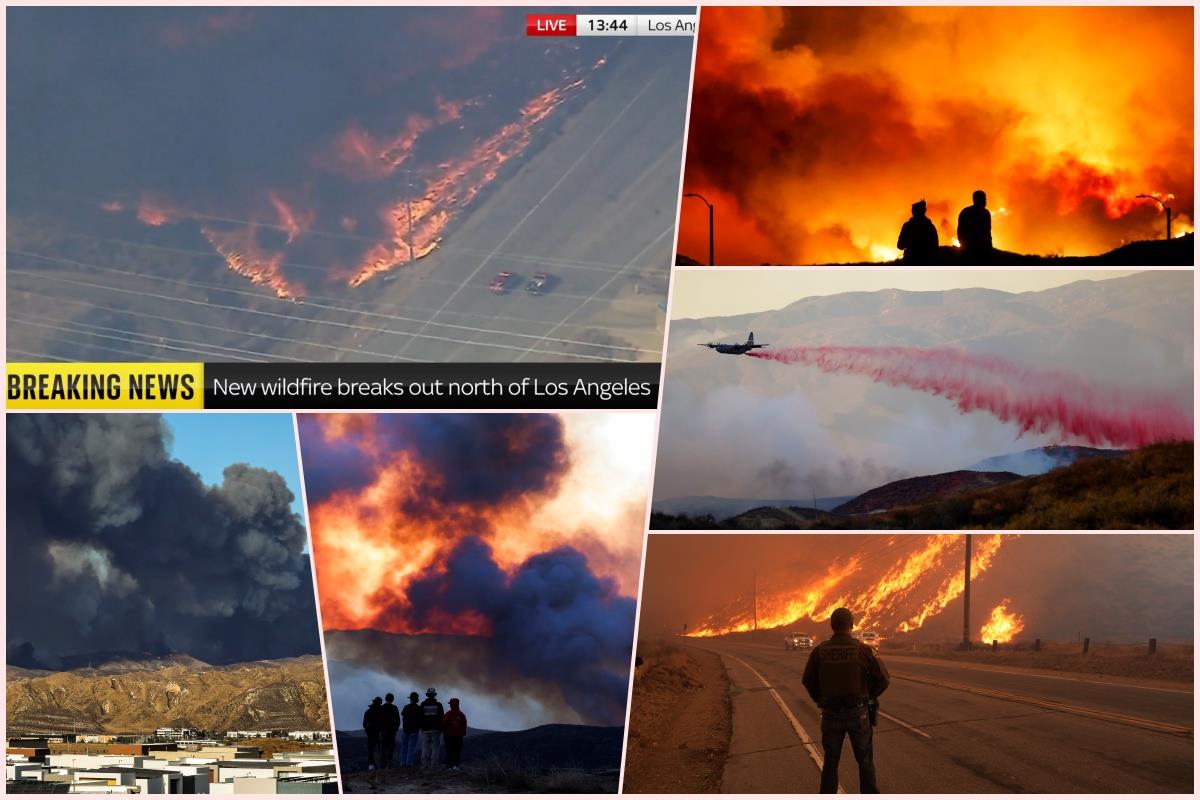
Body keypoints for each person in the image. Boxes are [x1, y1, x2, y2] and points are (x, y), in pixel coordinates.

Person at [801, 608, 890, 793]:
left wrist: (820, 699)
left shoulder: (819, 651)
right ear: (851, 625)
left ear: (832, 625)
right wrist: (868, 696)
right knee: (865, 761)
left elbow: (808, 680)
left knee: (831, 762)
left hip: (831, 714)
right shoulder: (864, 650)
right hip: (858, 713)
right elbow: (883, 679)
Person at [957, 189, 992, 261]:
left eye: (985, 199)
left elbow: (988, 232)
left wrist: (988, 247)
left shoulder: (986, 213)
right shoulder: (966, 212)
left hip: (984, 250)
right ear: (975, 200)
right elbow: (960, 231)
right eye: (983, 199)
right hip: (969, 249)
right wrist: (964, 245)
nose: (985, 202)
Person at [419, 687, 445, 767]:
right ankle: (434, 765)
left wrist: (422, 727)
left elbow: (420, 716)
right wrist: (441, 728)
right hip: (435, 730)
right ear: (434, 695)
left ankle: (424, 765)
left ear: (428, 695)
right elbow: (442, 717)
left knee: (425, 747)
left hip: (425, 730)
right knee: (435, 748)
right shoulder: (439, 705)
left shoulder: (423, 704)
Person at [442, 698, 467, 771]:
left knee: (449, 750)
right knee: (457, 751)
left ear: (451, 705)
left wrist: (444, 732)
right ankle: (456, 765)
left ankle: (450, 766)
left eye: (450, 704)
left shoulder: (448, 714)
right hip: (458, 736)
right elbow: (464, 725)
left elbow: (443, 724)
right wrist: (462, 733)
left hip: (449, 736)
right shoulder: (461, 714)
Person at [400, 691, 423, 767]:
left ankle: (403, 763)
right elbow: (420, 720)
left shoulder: (406, 707)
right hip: (414, 730)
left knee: (404, 747)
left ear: (411, 699)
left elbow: (403, 718)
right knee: (411, 748)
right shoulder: (419, 708)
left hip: (405, 730)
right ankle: (409, 764)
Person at [379, 692, 401, 768]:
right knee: (390, 748)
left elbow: (378, 720)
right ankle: (390, 765)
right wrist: (396, 729)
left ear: (386, 699)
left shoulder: (381, 708)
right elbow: (398, 720)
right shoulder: (395, 708)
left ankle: (382, 765)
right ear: (392, 699)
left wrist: (380, 729)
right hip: (392, 731)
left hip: (383, 731)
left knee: (383, 748)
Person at [362, 696, 383, 771]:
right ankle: (381, 765)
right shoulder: (381, 712)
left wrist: (368, 731)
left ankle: (371, 765)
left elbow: (364, 724)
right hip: (379, 733)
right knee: (380, 749)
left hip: (371, 734)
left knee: (371, 749)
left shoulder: (368, 712)